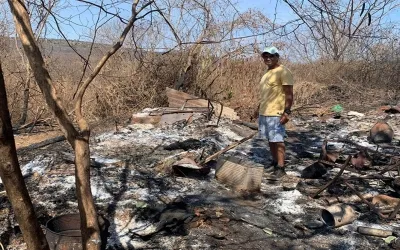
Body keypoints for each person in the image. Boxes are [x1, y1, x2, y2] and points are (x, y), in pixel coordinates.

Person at [257, 46, 294, 178]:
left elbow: (289, 93)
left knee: (278, 140)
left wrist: (287, 112)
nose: (268, 58)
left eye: (271, 56)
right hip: (264, 112)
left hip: (276, 113)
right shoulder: (267, 73)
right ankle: (274, 162)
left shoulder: (283, 71)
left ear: (277, 57)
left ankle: (281, 167)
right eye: (265, 56)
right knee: (270, 139)